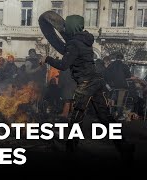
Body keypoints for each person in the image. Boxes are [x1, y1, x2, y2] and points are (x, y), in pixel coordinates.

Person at [40, 15, 134, 158]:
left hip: (85, 84)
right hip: (96, 82)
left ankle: (70, 150)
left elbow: (63, 65)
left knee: (76, 118)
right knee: (105, 117)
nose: (63, 27)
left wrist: (47, 58)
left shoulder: (73, 44)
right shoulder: (85, 41)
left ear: (70, 27)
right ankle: (123, 145)